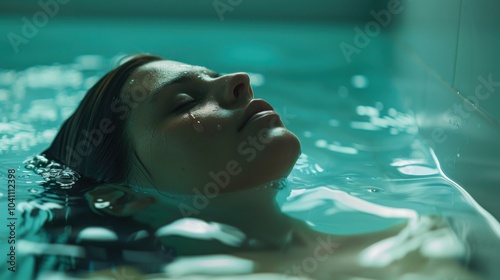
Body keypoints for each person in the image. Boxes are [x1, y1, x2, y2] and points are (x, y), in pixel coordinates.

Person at [35, 54, 478, 279]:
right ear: (120, 197)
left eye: (217, 77)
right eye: (185, 102)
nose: (238, 81)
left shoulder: (421, 234)